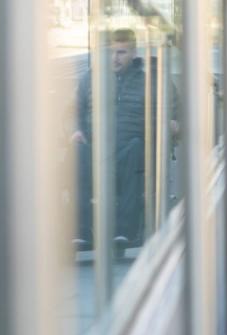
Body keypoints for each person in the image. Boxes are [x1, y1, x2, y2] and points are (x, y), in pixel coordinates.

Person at [72, 28, 177, 251]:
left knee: (137, 148)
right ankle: (83, 231)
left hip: (132, 150)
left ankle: (124, 231)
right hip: (97, 150)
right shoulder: (91, 79)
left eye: (121, 52)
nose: (114, 58)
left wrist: (173, 123)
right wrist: (77, 130)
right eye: (110, 52)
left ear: (133, 53)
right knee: (78, 151)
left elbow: (176, 110)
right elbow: (75, 112)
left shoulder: (149, 80)